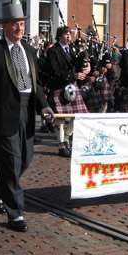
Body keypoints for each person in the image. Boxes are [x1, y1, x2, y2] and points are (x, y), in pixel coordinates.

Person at [0, 0, 53, 232]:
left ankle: (0, 188)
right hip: (3, 113)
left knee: (25, 159)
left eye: (22, 23)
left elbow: (35, 84)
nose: (19, 28)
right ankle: (15, 212)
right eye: (15, 24)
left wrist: (44, 105)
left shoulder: (29, 50)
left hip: (26, 112)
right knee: (10, 161)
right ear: (5, 26)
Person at [45, 26, 90, 157]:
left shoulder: (73, 49)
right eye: (66, 34)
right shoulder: (53, 51)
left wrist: (86, 66)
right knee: (60, 119)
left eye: (69, 34)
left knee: (78, 116)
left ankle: (66, 138)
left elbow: (78, 65)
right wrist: (73, 76)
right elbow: (55, 70)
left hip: (71, 87)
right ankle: (61, 146)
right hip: (58, 87)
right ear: (59, 36)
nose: (69, 36)